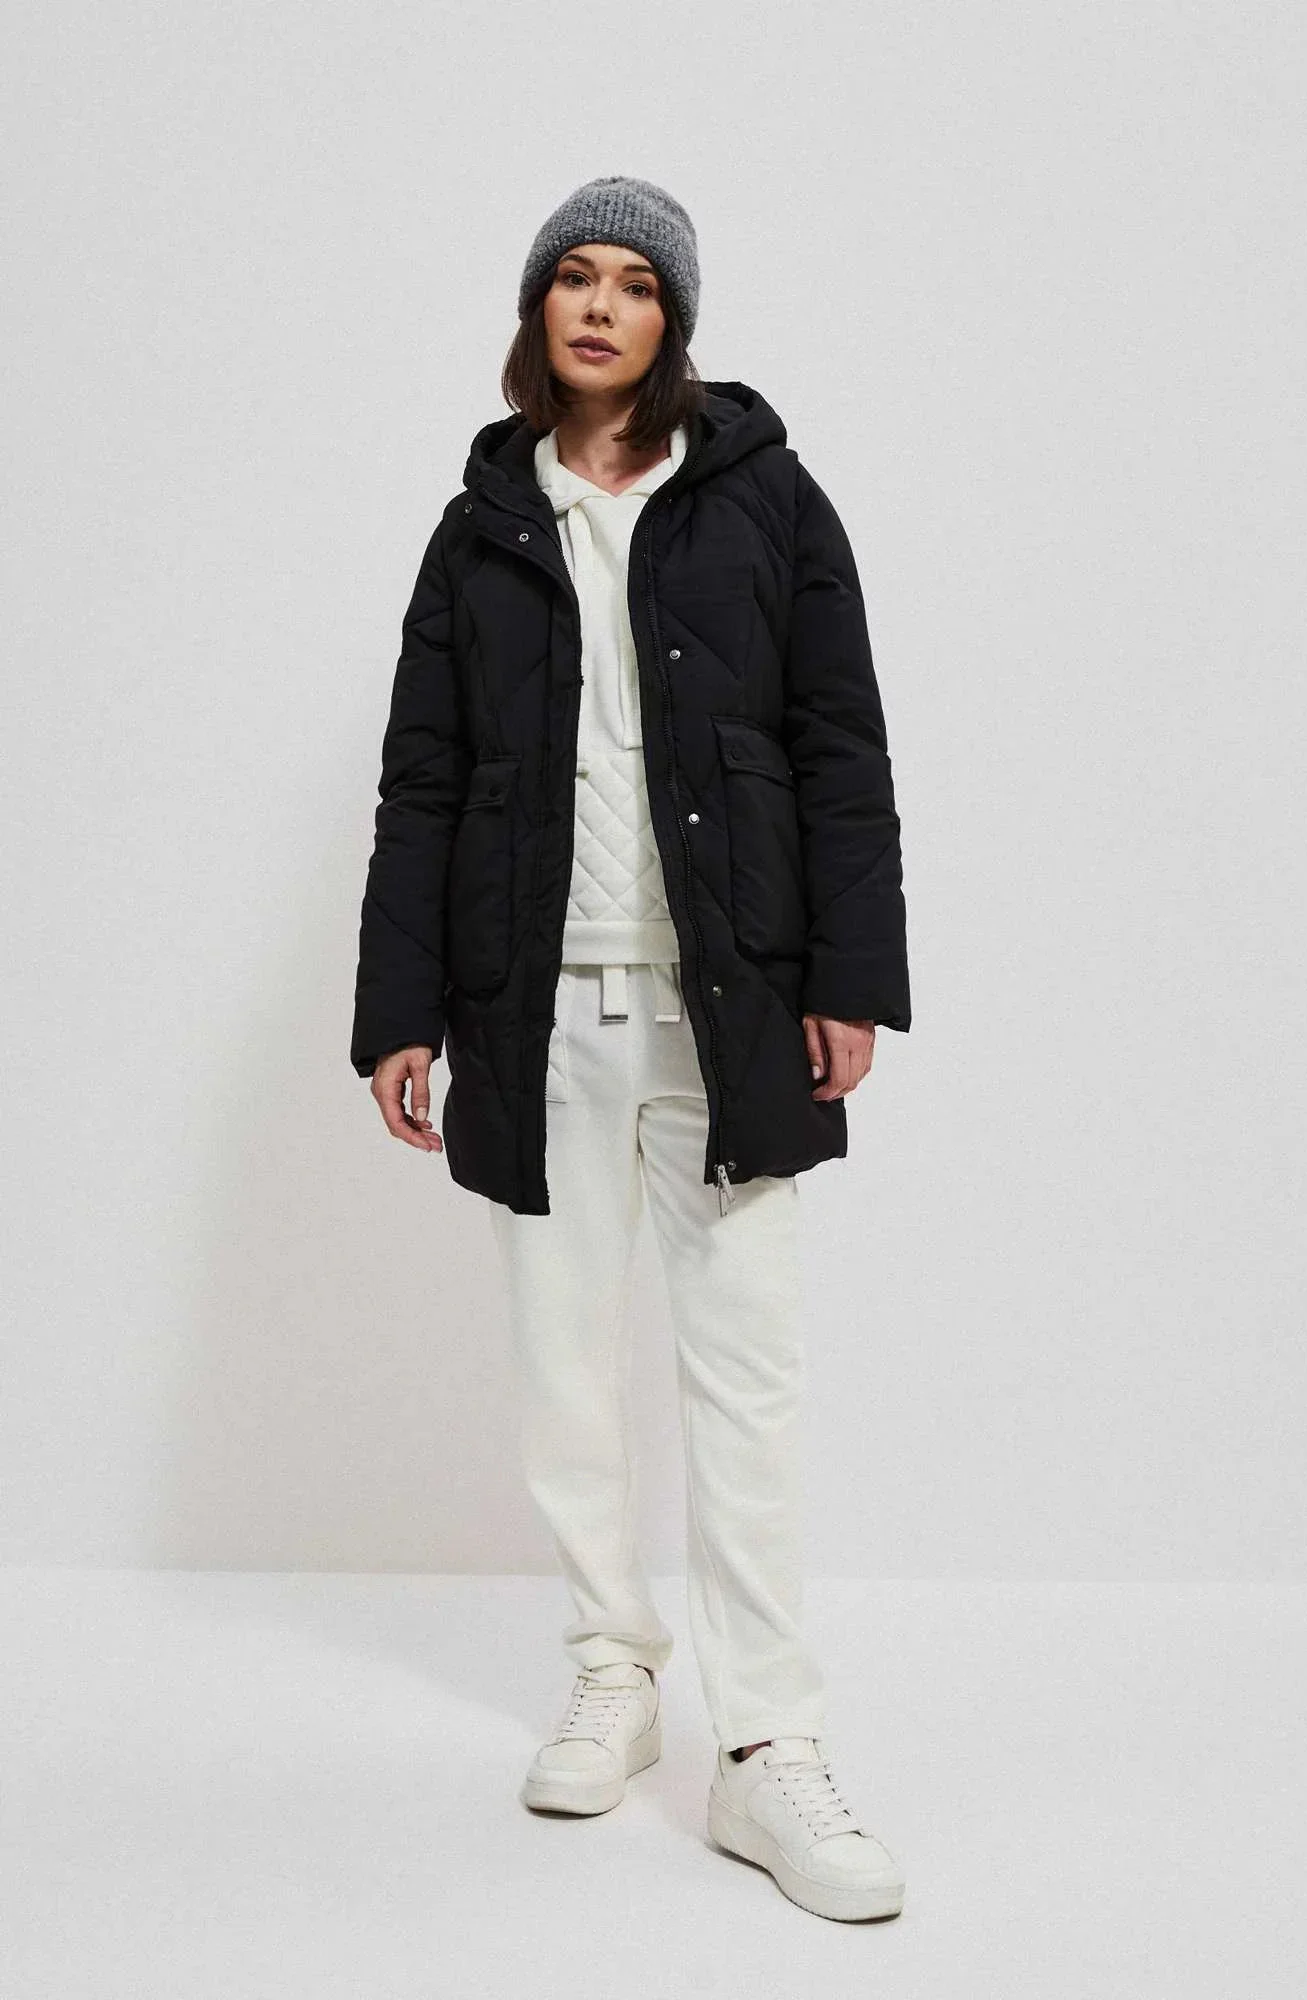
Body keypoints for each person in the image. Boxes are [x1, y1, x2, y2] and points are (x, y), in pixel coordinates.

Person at [350, 176, 911, 1923]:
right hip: (532, 1009)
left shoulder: (764, 498)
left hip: (724, 1004)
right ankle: (612, 1666)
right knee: (564, 1372)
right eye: (573, 278)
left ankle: (767, 1747)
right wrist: (400, 1009)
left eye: (636, 284)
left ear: (675, 321)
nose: (600, 306)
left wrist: (850, 977)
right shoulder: (478, 525)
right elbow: (422, 781)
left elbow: (840, 745)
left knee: (746, 1377)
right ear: (538, 310)